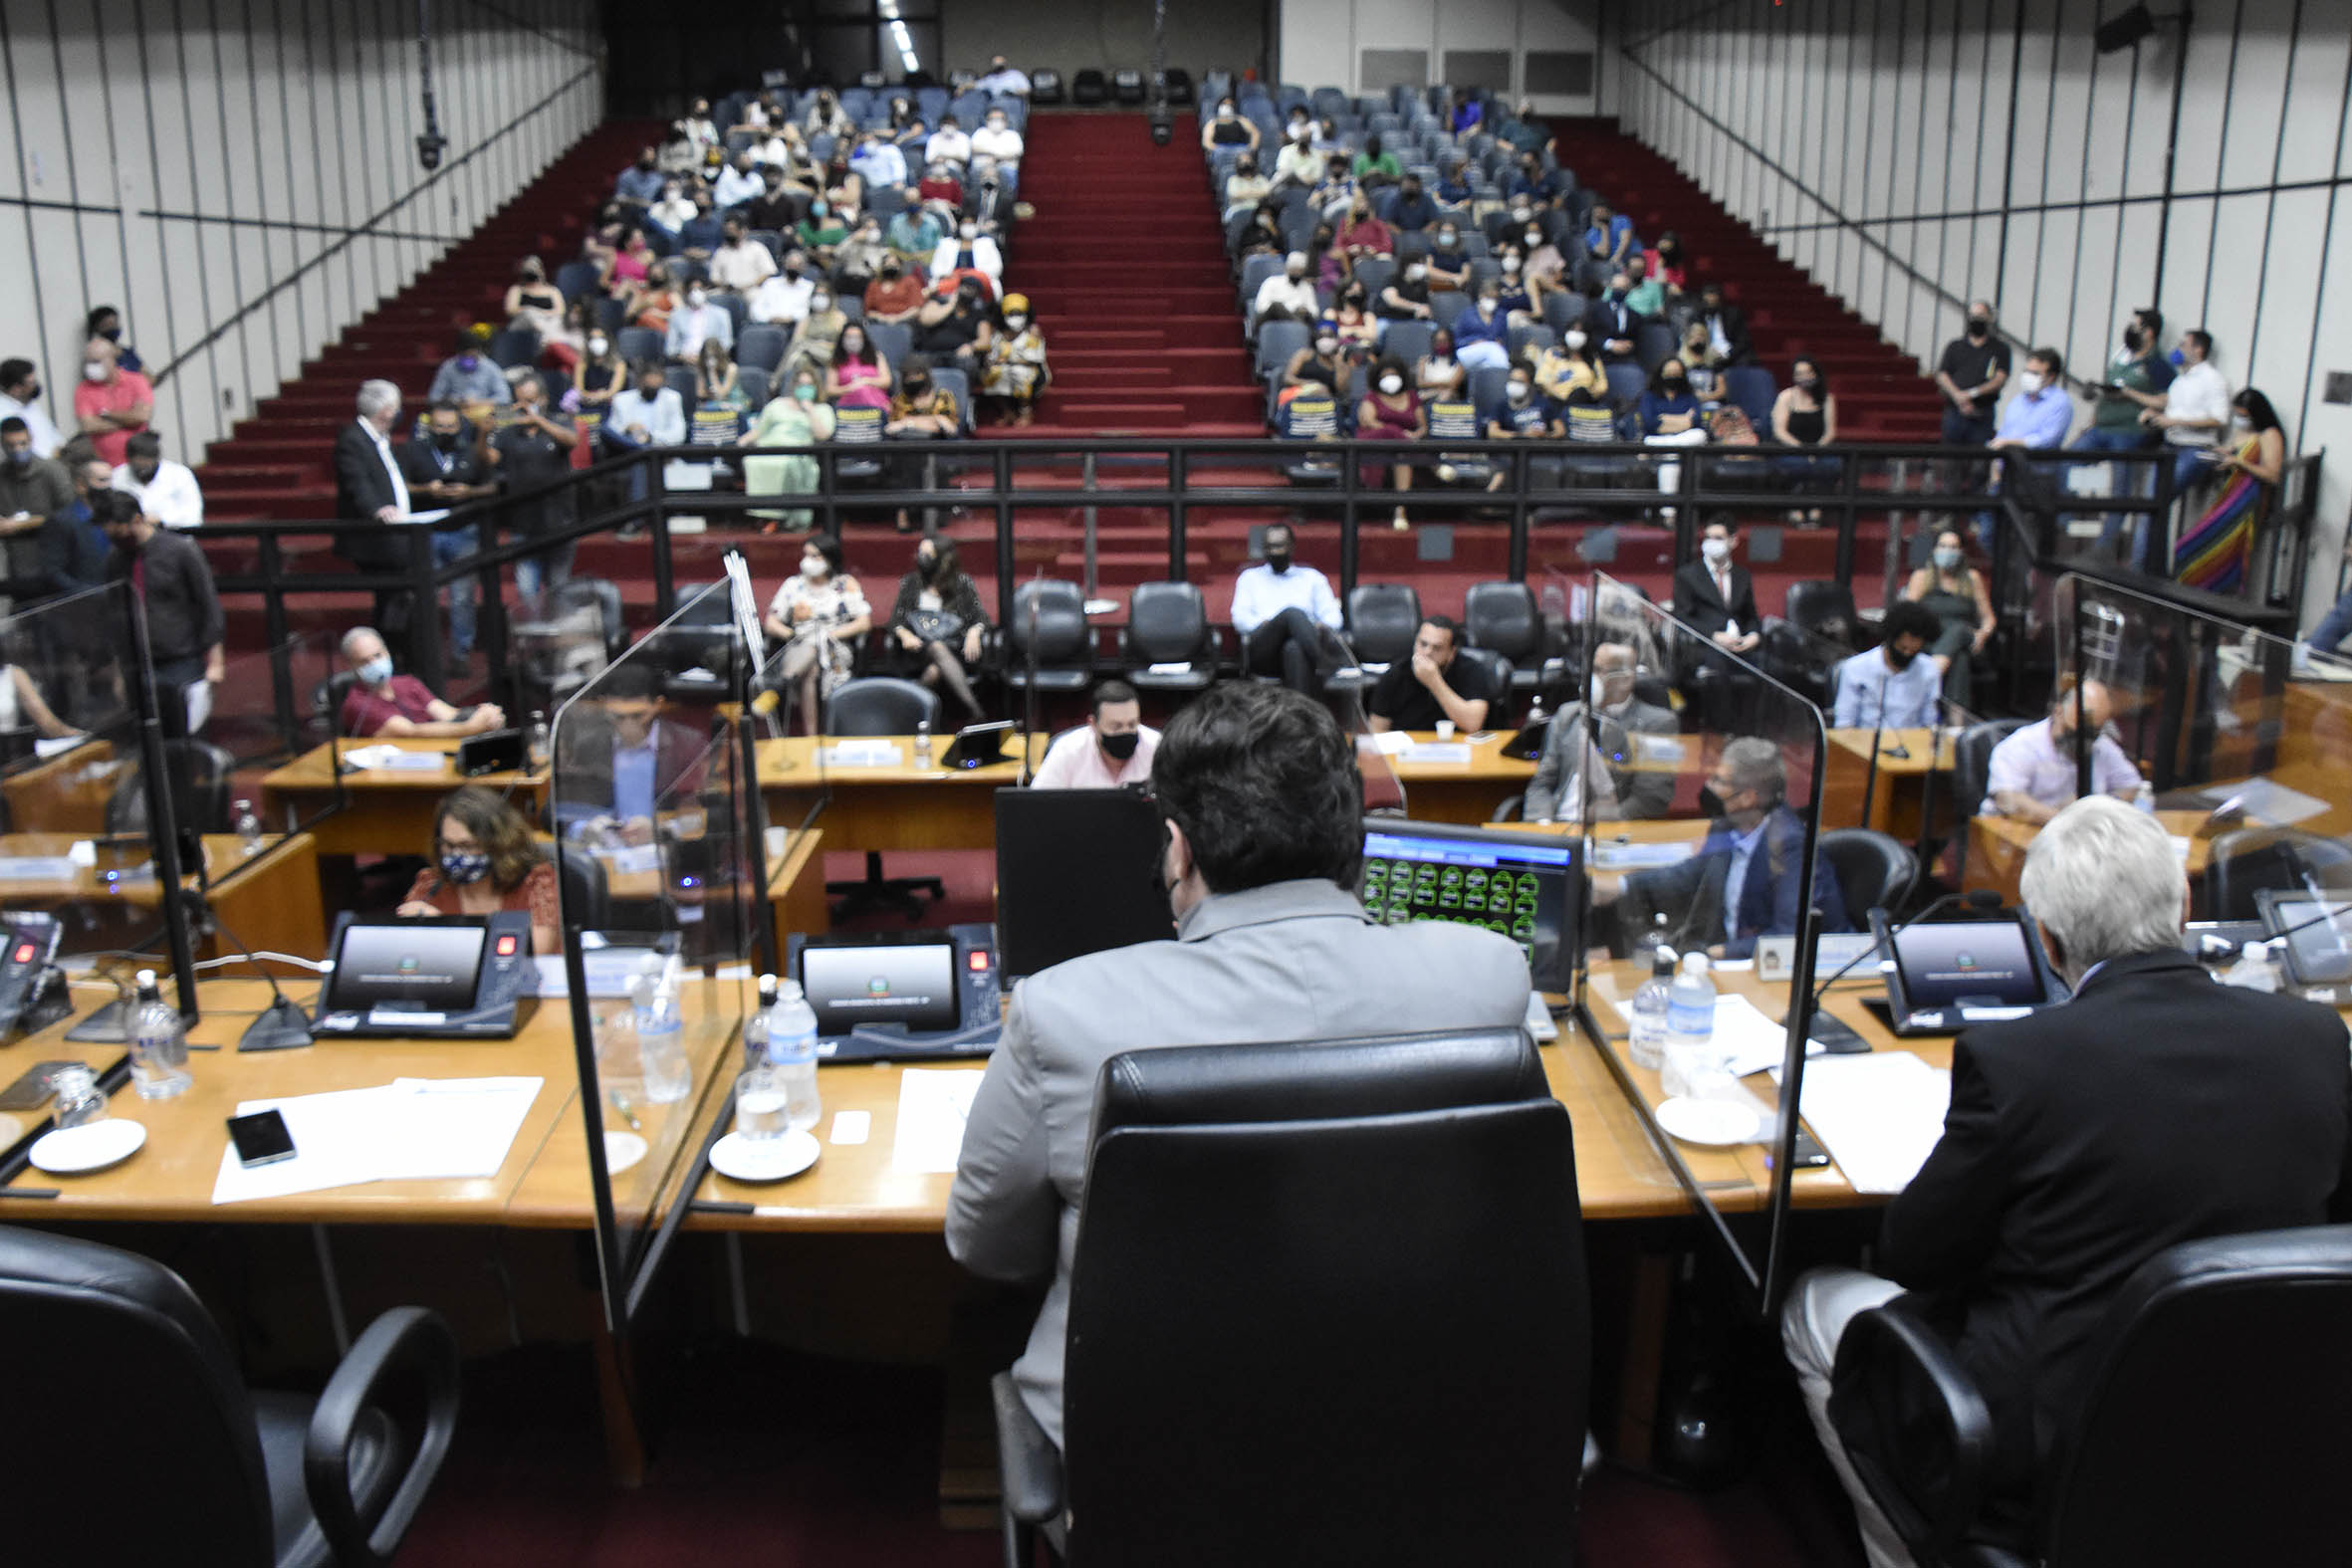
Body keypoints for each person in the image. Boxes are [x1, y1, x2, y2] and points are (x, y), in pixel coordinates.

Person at [949, 681, 1532, 1454]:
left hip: (1146, 1464)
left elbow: (983, 1244)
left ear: (1178, 846)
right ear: (1355, 834)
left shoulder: (1064, 1013)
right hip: (1411, 1445)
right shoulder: (1491, 977)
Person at [1784, 795, 2352, 1568]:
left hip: (2049, 1444)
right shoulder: (2318, 1040)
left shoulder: (2020, 1062)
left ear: (2046, 943)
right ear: (2185, 902)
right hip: (2259, 1429)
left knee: (1814, 1301)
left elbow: (1912, 1255)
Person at [1610, 737, 1851, 960]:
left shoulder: (1789, 845)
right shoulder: (1726, 828)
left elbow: (1787, 937)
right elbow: (1689, 874)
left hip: (1803, 969)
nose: (1708, 786)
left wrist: (1717, 952)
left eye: (1719, 780)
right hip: (1734, 962)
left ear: (1747, 798)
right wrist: (1622, 885)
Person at [101, 492, 221, 737]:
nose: (117, 540)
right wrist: (118, 672)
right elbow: (114, 616)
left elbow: (208, 604)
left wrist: (216, 661)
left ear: (136, 520)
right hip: (136, 663)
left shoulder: (180, 550)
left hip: (180, 659)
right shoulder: (115, 560)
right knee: (147, 738)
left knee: (186, 735)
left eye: (120, 533)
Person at [396, 786, 561, 957]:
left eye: (467, 846)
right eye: (449, 845)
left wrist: (444, 929)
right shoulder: (431, 885)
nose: (456, 855)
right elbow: (406, 949)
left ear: (497, 844)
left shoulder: (537, 882)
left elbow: (534, 950)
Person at [553, 662, 707, 841]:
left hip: (666, 849)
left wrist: (662, 830)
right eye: (618, 716)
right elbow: (563, 809)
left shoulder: (687, 744)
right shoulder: (589, 747)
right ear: (604, 706)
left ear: (657, 705)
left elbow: (704, 814)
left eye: (638, 716)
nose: (628, 726)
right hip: (606, 848)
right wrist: (585, 829)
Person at [1527, 639, 1677, 820]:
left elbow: (1650, 800)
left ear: (1625, 680)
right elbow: (1542, 783)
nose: (1591, 677)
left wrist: (1601, 823)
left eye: (1599, 670)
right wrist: (1542, 823)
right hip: (1557, 823)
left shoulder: (1658, 724)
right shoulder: (1569, 714)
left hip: (1612, 830)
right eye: (1591, 669)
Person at [397, 403, 494, 667]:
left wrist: (468, 493)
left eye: (451, 426)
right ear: (430, 427)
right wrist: (427, 489)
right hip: (426, 532)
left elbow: (492, 486)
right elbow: (401, 488)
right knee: (424, 596)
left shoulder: (471, 451)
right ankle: (424, 653)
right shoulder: (413, 451)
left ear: (460, 427)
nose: (445, 431)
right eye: (439, 426)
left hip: (464, 530)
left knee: (462, 597)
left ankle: (460, 654)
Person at [2079, 308, 2174, 565]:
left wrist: (2131, 393)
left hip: (2129, 431)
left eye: (2137, 326)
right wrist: (2092, 420)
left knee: (2120, 490)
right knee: (2068, 460)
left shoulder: (2157, 364)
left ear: (2150, 332)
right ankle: (2066, 522)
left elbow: (2165, 400)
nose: (2131, 330)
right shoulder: (2121, 355)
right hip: (2102, 426)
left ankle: (2104, 546)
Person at [2171, 387, 2286, 593]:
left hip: (2247, 499)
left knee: (2196, 547)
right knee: (2187, 547)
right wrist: (2225, 454)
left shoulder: (2270, 435)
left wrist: (2240, 463)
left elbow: (2272, 474)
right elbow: (2235, 451)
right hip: (2228, 493)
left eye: (2244, 416)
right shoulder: (2244, 432)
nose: (2239, 419)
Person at [1981, 678, 2143, 821]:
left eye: (2091, 734)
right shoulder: (2020, 746)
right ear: (2058, 712)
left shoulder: (2102, 746)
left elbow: (2130, 786)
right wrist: (2065, 820)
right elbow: (2009, 799)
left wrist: (2098, 807)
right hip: (2011, 836)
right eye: (2074, 732)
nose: (2082, 742)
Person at [491, 371, 583, 603]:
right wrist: (482, 435)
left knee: (558, 587)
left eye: (530, 401)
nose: (524, 407)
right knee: (526, 591)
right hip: (523, 521)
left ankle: (557, 637)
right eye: (520, 401)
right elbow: (489, 459)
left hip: (559, 519)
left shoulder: (558, 420)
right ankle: (533, 637)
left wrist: (538, 420)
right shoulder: (508, 432)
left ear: (543, 399)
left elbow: (571, 441)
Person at [764, 533, 870, 730]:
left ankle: (781, 685)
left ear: (829, 559)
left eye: (815, 556)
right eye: (806, 555)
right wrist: (791, 635)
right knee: (810, 667)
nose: (808, 561)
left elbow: (864, 623)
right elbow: (771, 622)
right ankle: (812, 736)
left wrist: (830, 635)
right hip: (800, 644)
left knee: (812, 659)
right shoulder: (793, 585)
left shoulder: (844, 584)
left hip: (833, 646)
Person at [885, 534, 989, 720]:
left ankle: (905, 715)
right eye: (919, 553)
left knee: (934, 672)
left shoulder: (961, 583)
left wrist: (974, 631)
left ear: (943, 557)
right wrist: (904, 635)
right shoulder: (911, 582)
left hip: (954, 648)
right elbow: (895, 621)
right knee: (935, 647)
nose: (920, 557)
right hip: (919, 648)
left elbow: (980, 617)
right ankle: (976, 711)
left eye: (927, 554)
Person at [337, 626, 504, 739]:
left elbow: (449, 714)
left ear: (387, 652)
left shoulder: (407, 683)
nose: (374, 664)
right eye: (365, 661)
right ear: (351, 666)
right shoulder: (356, 703)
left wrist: (484, 715)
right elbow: (411, 731)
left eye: (377, 655)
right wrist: (471, 728)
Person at [1231, 523, 1340, 695]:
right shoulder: (1249, 578)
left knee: (1294, 647)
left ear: (1292, 547)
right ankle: (1323, 662)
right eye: (1269, 547)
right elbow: (1239, 619)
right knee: (1291, 614)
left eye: (1278, 546)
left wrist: (1316, 625)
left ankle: (1300, 717)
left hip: (1301, 649)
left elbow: (1334, 619)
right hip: (1264, 651)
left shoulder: (1312, 578)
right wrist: (1265, 623)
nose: (1273, 552)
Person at [1903, 528, 1997, 707]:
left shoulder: (1972, 578)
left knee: (1959, 630)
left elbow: (1989, 618)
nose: (1948, 551)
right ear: (1935, 550)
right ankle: (1956, 720)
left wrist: (1983, 634)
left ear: (1961, 552)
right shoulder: (1921, 577)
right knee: (1959, 658)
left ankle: (1932, 674)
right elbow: (1908, 614)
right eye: (1943, 546)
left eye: (1953, 547)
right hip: (1931, 639)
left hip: (1968, 637)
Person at [741, 364, 834, 534]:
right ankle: (763, 515)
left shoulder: (822, 409)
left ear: (816, 386)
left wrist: (810, 410)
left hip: (798, 453)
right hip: (768, 448)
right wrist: (742, 441)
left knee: (786, 464)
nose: (804, 388)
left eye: (808, 385)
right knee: (751, 461)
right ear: (793, 386)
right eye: (800, 384)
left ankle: (777, 517)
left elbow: (823, 435)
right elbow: (757, 431)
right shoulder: (776, 405)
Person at [1831, 600, 1943, 731]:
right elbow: (1844, 726)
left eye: (1913, 652)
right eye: (1902, 648)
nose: (1907, 654)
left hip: (1911, 745)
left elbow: (1929, 724)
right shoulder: (1855, 668)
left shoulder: (1929, 670)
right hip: (1865, 745)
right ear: (1890, 639)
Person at [1367, 616, 1491, 734]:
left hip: (1460, 748)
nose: (1427, 652)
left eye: (1437, 648)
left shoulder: (1472, 669)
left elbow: (1473, 724)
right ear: (1415, 642)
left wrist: (1434, 682)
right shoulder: (1396, 673)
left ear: (1452, 652)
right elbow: (1377, 731)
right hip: (1409, 749)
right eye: (1423, 644)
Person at [1032, 678, 1158, 789]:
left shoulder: (1157, 748)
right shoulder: (1067, 750)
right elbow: (1038, 805)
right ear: (1093, 724)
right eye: (1116, 726)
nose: (1125, 732)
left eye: (1132, 724)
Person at [0, 417, 77, 598]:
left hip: (52, 555)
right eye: (11, 445)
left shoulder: (52, 470)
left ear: (31, 440)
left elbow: (69, 513)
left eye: (22, 443)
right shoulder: (2, 474)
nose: (18, 450)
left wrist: (21, 524)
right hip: (16, 560)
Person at [1355, 355, 1425, 531]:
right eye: (1385, 375)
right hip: (1374, 440)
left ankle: (1400, 512)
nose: (1390, 378)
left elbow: (1423, 427)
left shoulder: (1412, 397)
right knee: (1391, 430)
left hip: (1402, 448)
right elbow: (1368, 422)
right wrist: (1401, 434)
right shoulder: (1372, 396)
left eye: (1393, 374)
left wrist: (1415, 434)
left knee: (1402, 455)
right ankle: (1433, 465)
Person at [1935, 301, 2010, 449]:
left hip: (1982, 412)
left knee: (1978, 464)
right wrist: (1958, 396)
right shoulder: (1955, 346)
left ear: (1990, 318)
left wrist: (1971, 394)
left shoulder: (2000, 348)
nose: (1976, 319)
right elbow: (1942, 374)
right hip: (1954, 411)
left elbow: (2000, 379)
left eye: (1981, 315)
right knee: (1950, 459)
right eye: (1973, 315)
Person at [72, 338, 154, 468]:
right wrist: (129, 421)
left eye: (96, 361)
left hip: (140, 462)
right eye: (88, 362)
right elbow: (89, 426)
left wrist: (106, 414)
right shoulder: (83, 390)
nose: (90, 367)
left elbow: (142, 416)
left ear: (112, 359)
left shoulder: (137, 381)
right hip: (107, 466)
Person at [982, 293, 1049, 428]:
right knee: (992, 375)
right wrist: (991, 362)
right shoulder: (998, 334)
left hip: (1029, 369)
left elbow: (1035, 358)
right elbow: (991, 355)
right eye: (1011, 314)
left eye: (1019, 314)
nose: (1015, 318)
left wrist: (1009, 361)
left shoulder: (1032, 332)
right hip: (1004, 367)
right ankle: (1007, 412)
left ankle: (1026, 412)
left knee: (1018, 372)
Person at [427, 328, 512, 411]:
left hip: (484, 413)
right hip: (456, 413)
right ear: (458, 353)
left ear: (479, 352)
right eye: (465, 356)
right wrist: (455, 403)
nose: (469, 360)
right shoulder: (447, 367)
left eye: (473, 356)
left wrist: (478, 403)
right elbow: (434, 398)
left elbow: (505, 398)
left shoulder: (491, 368)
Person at [0, 359, 60, 458]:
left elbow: (54, 436)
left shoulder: (31, 405)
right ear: (16, 389)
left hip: (57, 460)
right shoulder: (4, 414)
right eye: (31, 383)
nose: (36, 386)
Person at [708, 218, 779, 297]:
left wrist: (749, 286)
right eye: (727, 230)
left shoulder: (757, 248)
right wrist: (725, 286)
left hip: (751, 290)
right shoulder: (720, 252)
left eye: (732, 230)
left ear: (742, 231)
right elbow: (714, 277)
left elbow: (767, 273)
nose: (729, 233)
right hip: (727, 291)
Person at [1690, 280, 1752, 368]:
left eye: (1714, 297)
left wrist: (1726, 354)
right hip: (1705, 355)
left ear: (1720, 299)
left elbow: (1743, 341)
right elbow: (1693, 341)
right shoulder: (1697, 317)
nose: (1711, 300)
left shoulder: (1733, 315)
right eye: (1708, 298)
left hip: (1730, 355)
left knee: (1745, 363)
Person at [1252, 251, 1317, 328]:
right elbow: (1261, 307)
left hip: (1298, 318)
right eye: (1293, 270)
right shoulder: (1271, 282)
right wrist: (1287, 311)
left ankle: (1300, 328)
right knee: (1276, 306)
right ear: (1287, 269)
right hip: (1271, 320)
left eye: (1299, 271)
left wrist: (1305, 310)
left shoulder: (1307, 287)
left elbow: (1314, 312)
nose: (1296, 273)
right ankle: (1301, 328)